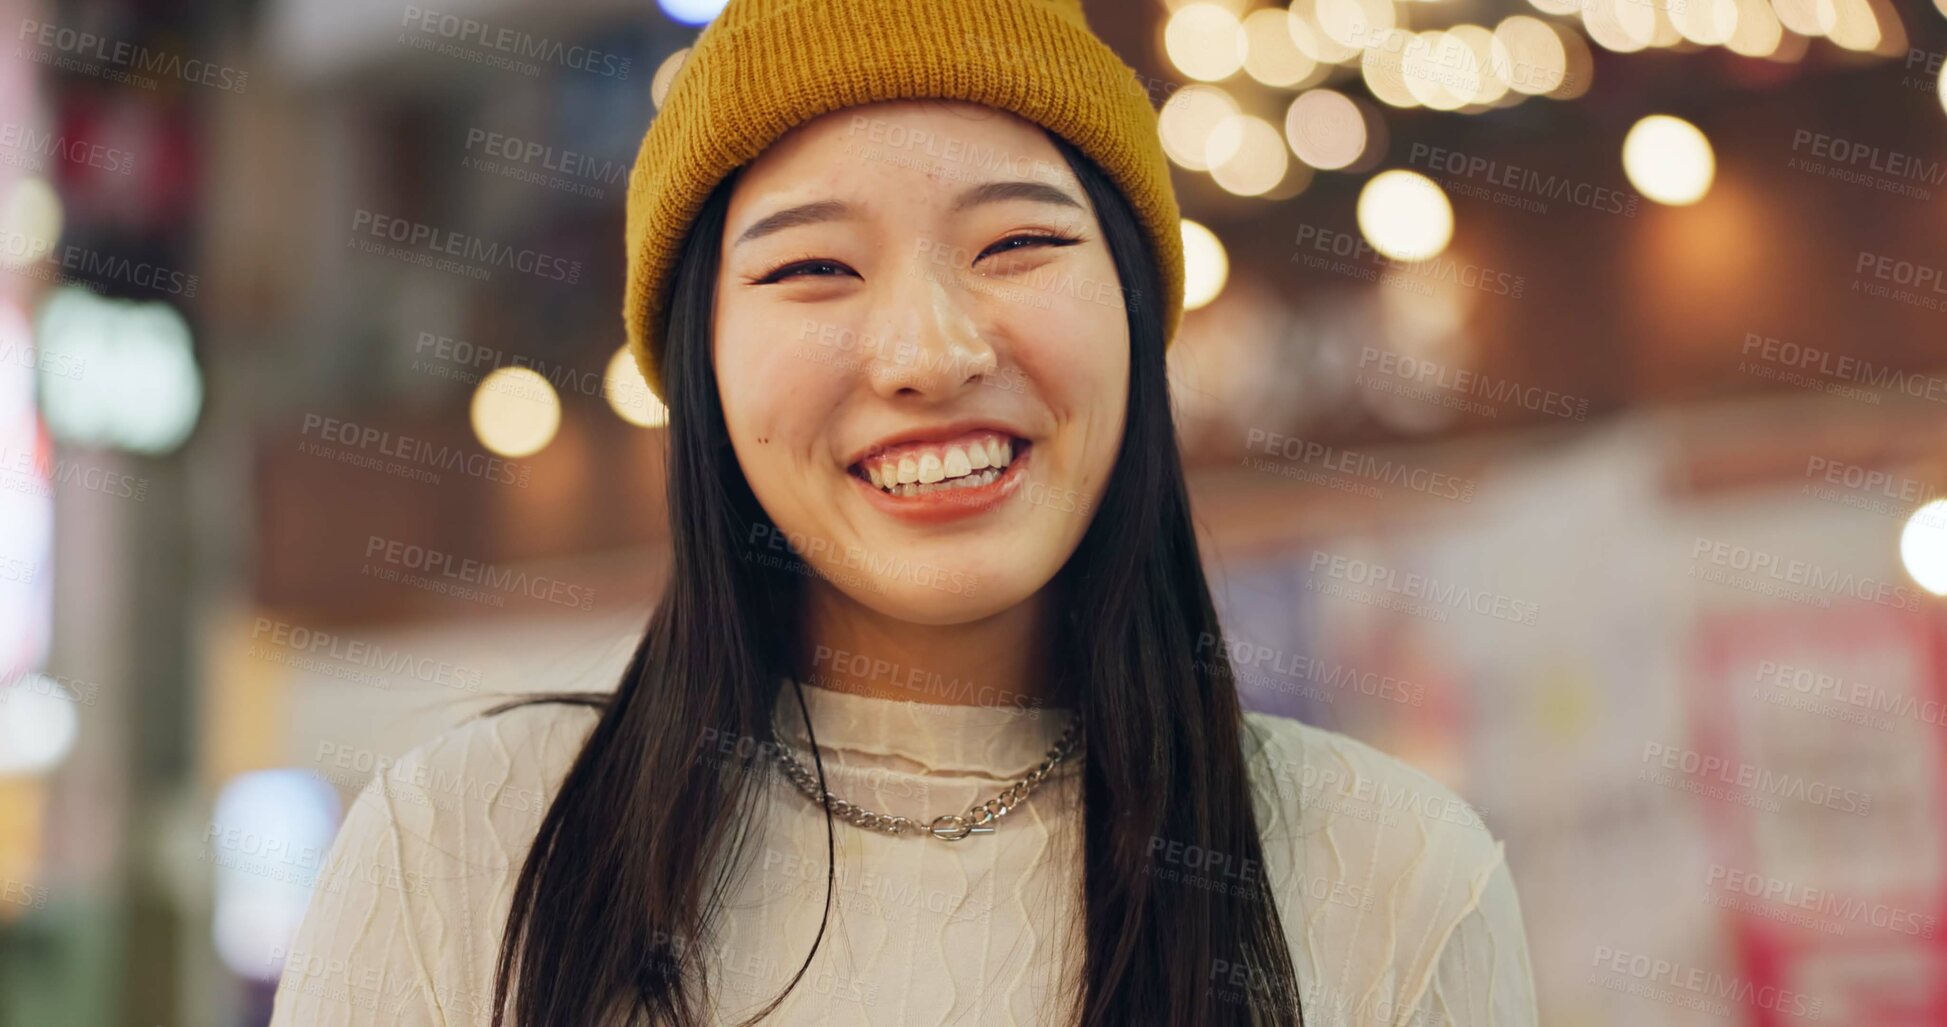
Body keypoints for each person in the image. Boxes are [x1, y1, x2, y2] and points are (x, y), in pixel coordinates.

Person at [270, 0, 1539, 1024]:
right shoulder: (460, 850)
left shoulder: (1399, 881)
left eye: (1017, 245)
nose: (928, 353)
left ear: (1136, 310)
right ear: (699, 363)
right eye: (814, 268)